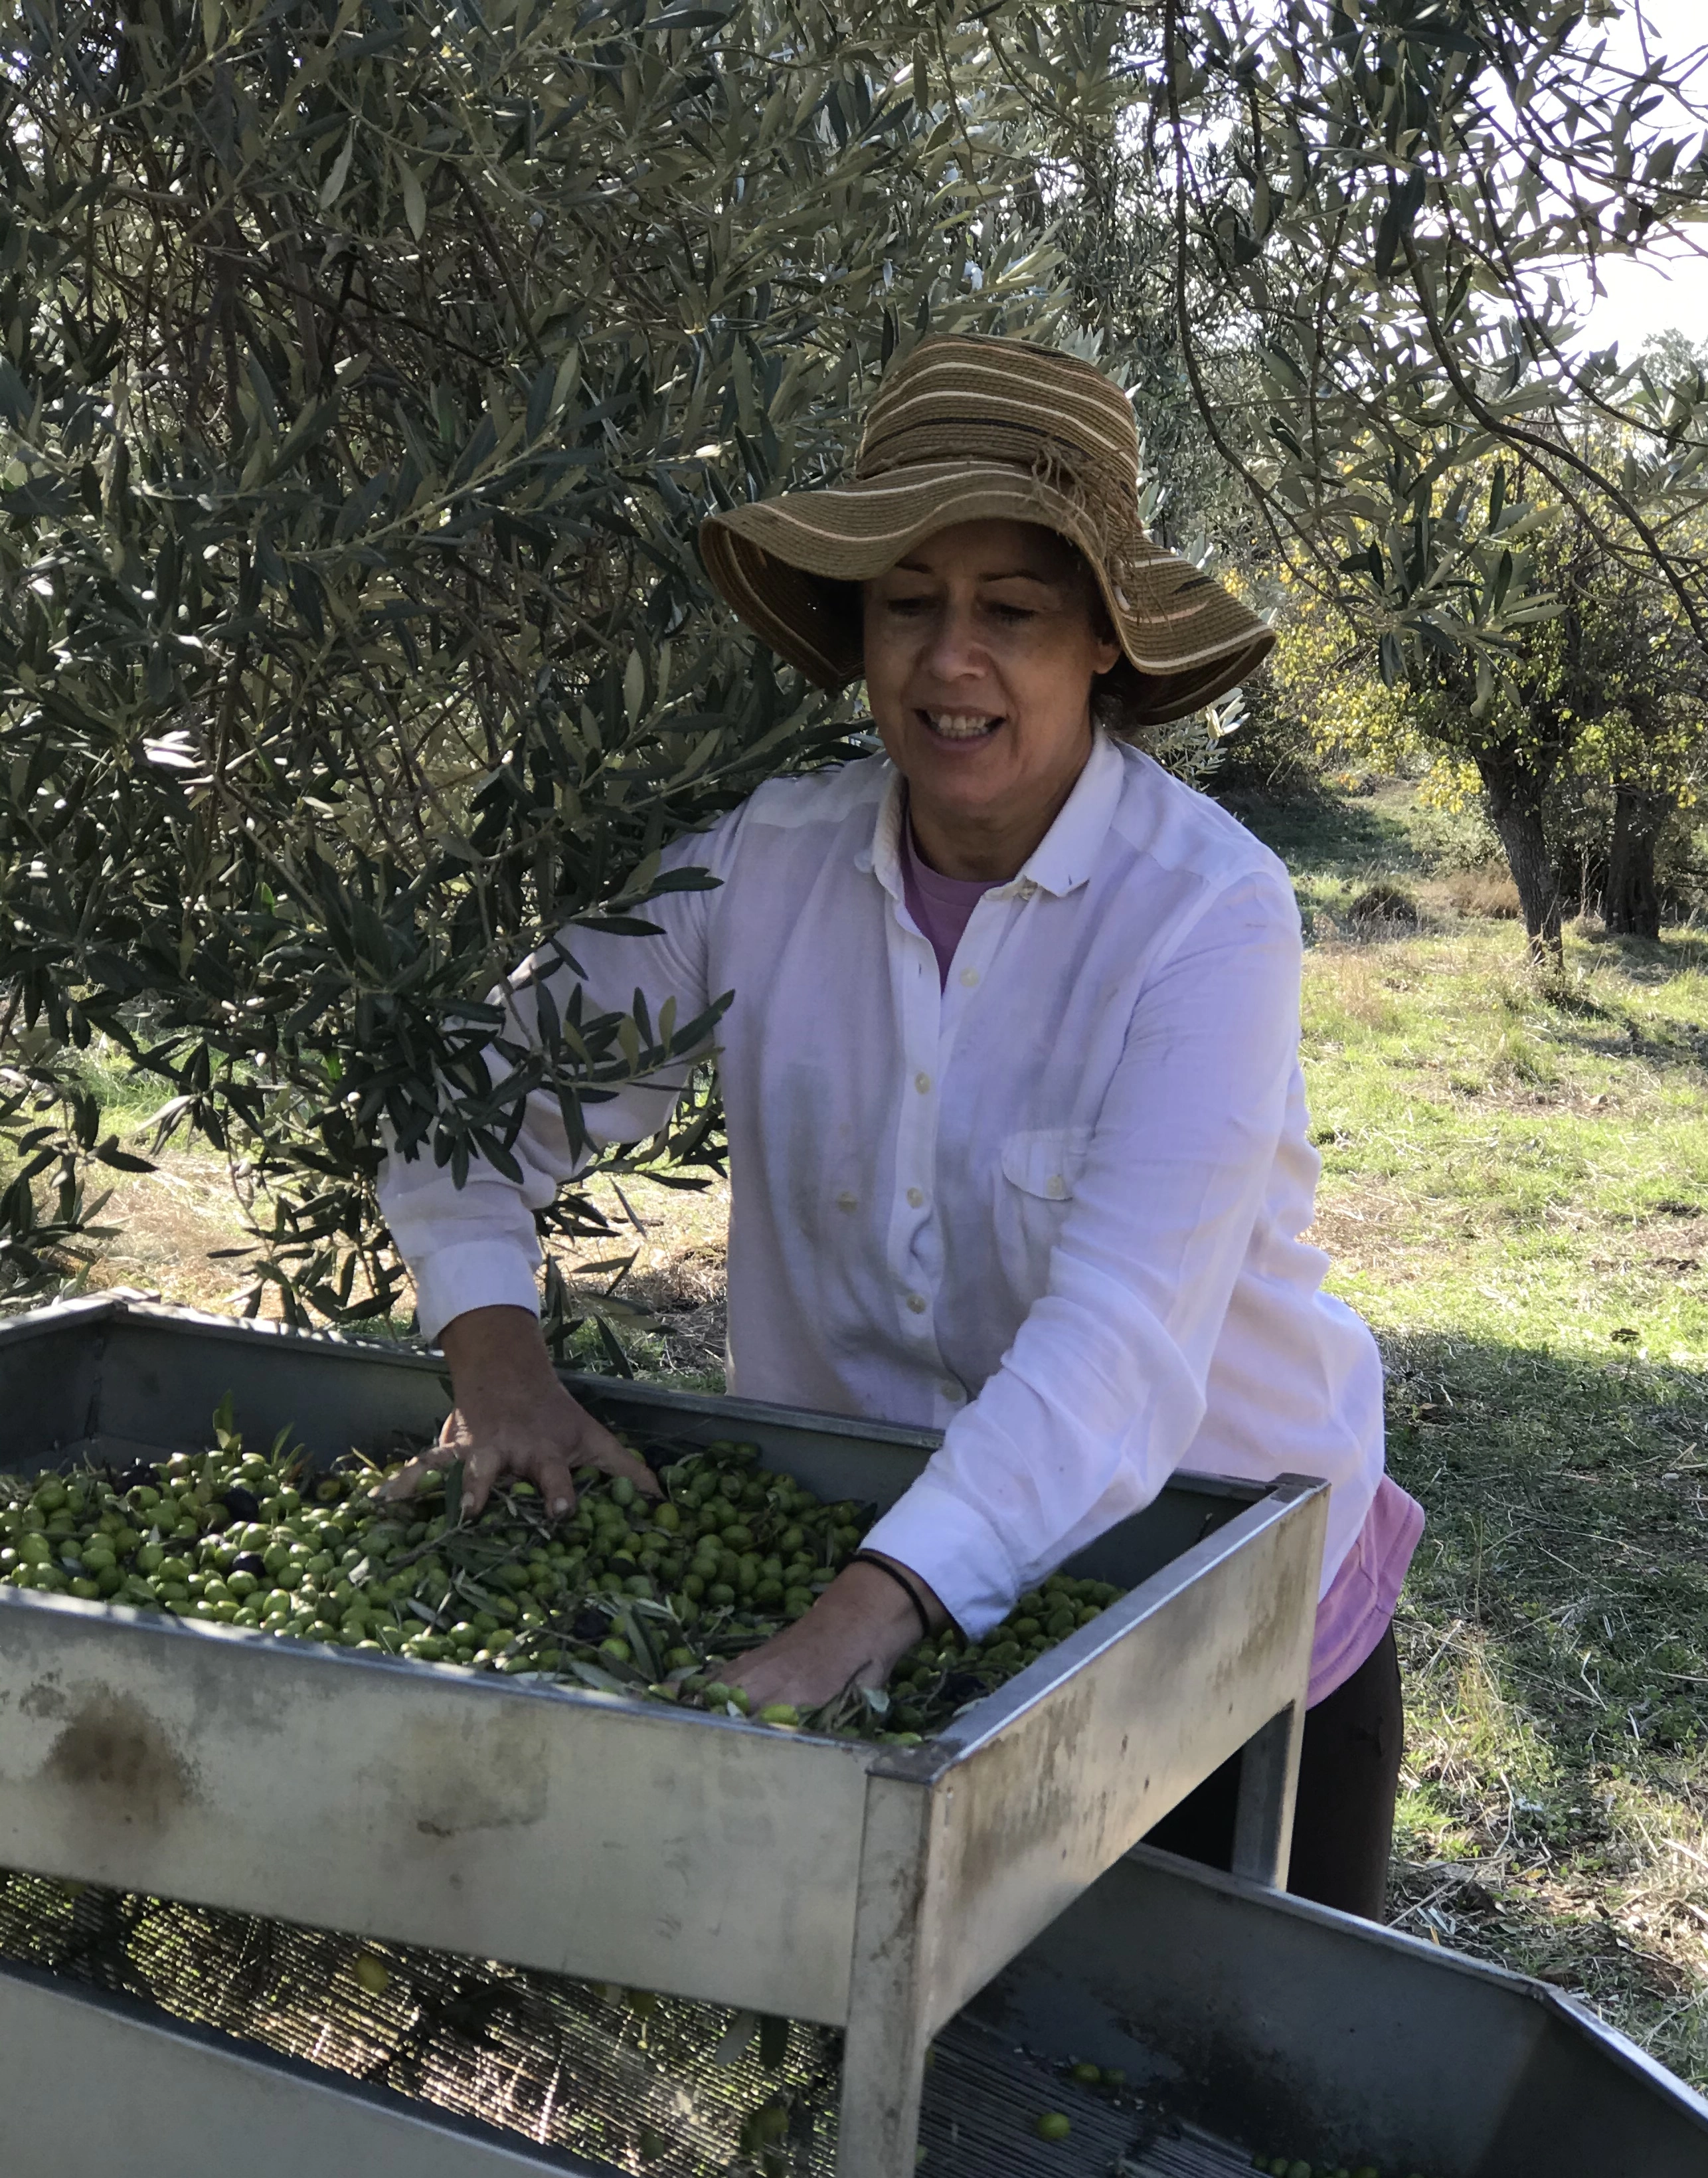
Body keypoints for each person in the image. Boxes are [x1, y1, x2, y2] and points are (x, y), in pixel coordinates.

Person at [377, 335, 1423, 1916]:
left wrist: (837, 1638)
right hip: (867, 1586)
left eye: (1013, 611)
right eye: (908, 603)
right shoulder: (759, 872)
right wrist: (495, 1357)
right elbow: (468, 1093)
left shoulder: (1206, 913)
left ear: (1102, 653)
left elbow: (1121, 1345)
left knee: (1225, 2124)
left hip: (1219, 1618)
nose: (952, 662)